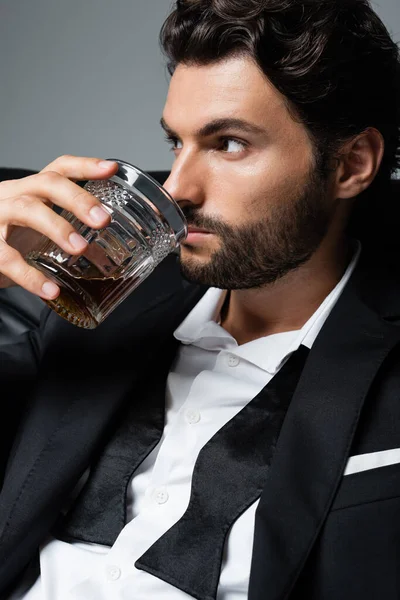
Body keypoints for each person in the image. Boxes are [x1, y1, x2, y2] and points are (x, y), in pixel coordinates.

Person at [0, 0, 400, 598]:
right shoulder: (104, 298)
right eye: (176, 144)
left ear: (351, 164)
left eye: (230, 144)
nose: (177, 189)